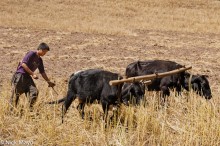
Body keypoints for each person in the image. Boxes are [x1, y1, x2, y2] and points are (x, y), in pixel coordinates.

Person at [10, 42, 55, 110]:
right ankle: (12, 111)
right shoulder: (31, 53)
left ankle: (29, 110)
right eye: (44, 51)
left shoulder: (40, 60)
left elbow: (42, 72)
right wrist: (33, 74)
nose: (44, 53)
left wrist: (49, 82)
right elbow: (23, 64)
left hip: (27, 77)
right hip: (20, 75)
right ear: (40, 49)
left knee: (34, 92)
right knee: (15, 95)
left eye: (45, 52)